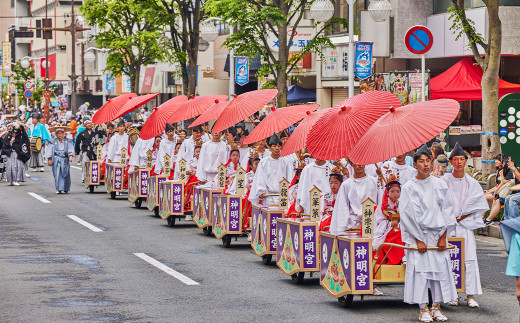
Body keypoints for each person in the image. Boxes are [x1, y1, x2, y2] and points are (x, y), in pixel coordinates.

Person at [398, 144, 457, 322]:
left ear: (431, 162)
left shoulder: (439, 184)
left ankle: (436, 306)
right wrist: (418, 240)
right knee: (420, 273)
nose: (425, 165)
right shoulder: (408, 187)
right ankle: (423, 308)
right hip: (418, 235)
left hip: (437, 234)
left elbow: (448, 210)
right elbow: (407, 215)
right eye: (421, 162)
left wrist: (443, 236)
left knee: (440, 272)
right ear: (415, 164)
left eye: (427, 161)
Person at [441, 142, 489, 308]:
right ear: (451, 161)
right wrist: (450, 218)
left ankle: (470, 295)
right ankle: (452, 294)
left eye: (462, 159)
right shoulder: (444, 181)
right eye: (456, 159)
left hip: (464, 227)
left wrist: (460, 218)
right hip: (448, 227)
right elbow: (438, 202)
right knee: (448, 260)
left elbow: (477, 205)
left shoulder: (472, 183)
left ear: (465, 161)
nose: (459, 162)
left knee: (469, 259)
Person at [329, 162, 378, 233]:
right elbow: (342, 207)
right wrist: (344, 227)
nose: (359, 164)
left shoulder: (374, 182)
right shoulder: (346, 184)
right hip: (353, 225)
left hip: (371, 223)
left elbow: (379, 203)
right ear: (351, 164)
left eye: (361, 161)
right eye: (356, 162)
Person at [249, 133, 294, 206]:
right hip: (268, 195)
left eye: (279, 146)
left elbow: (290, 177)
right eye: (274, 146)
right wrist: (261, 191)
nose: (277, 148)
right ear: (269, 148)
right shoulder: (264, 162)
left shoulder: (286, 161)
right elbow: (260, 177)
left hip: (283, 196)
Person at [373, 179, 405, 265]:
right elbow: (379, 222)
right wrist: (390, 224)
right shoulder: (382, 206)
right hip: (386, 231)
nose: (395, 194)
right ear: (387, 193)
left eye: (398, 191)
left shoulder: (402, 204)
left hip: (399, 228)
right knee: (397, 236)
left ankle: (404, 258)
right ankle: (395, 260)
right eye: (392, 191)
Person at [483, 154, 516, 225]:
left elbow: (504, 183)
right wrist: (489, 191)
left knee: (496, 199)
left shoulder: (510, 171)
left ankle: (488, 219)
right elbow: (498, 184)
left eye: (498, 160)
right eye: (496, 160)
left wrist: (494, 192)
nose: (496, 161)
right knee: (484, 196)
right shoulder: (499, 171)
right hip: (500, 192)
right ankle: (484, 218)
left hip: (506, 193)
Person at [45, 127, 75, 193]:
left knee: (66, 173)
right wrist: (49, 159)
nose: (60, 135)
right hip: (56, 159)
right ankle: (58, 188)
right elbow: (49, 150)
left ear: (64, 133)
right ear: (56, 134)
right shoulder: (52, 141)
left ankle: (66, 188)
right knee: (57, 173)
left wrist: (70, 156)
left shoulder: (68, 141)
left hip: (65, 159)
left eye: (61, 133)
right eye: (58, 133)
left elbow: (70, 149)